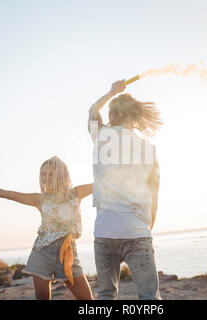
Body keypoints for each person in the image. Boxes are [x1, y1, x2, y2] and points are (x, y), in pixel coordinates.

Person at [0, 156, 94, 300]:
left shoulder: (76, 193)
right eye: (43, 174)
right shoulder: (40, 199)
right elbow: (5, 194)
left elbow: (104, 183)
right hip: (41, 254)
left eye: (50, 174)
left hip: (67, 253)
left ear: (60, 175)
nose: (45, 178)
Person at [88, 80, 162, 300]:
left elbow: (93, 111)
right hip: (136, 230)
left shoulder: (100, 137)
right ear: (135, 115)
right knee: (149, 296)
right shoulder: (148, 148)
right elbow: (155, 192)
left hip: (104, 230)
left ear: (112, 114)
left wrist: (111, 91)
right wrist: (147, 227)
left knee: (106, 294)